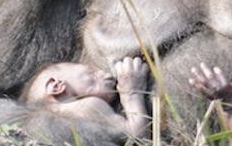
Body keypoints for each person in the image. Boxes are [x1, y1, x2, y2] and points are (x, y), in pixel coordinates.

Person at [21, 57, 150, 139]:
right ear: (56, 87)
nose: (105, 74)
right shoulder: (88, 106)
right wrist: (131, 93)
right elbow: (138, 136)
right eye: (92, 74)